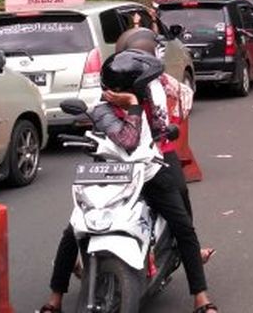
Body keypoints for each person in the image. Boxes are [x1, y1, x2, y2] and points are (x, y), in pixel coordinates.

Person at [37, 29, 218, 313]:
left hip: (146, 169)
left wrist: (158, 128)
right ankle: (54, 298)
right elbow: (129, 141)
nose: (147, 84)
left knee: (183, 226)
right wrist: (132, 107)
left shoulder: (151, 91)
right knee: (74, 229)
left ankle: (201, 297)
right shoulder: (104, 108)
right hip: (109, 171)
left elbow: (157, 129)